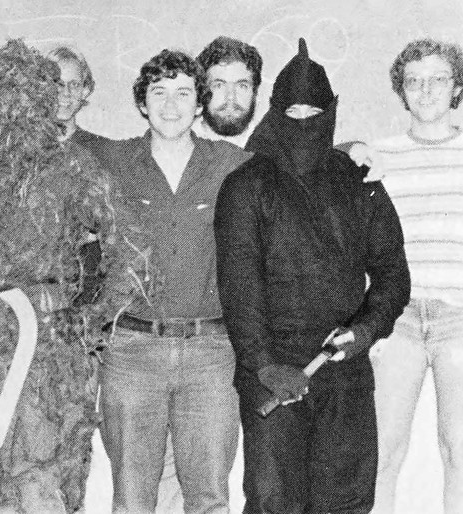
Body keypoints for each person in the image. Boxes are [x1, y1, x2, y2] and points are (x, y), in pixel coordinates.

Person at [0, 39, 147, 513]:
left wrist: (91, 318)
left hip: (50, 343)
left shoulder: (76, 167)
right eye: (3, 97)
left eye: (26, 97)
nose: (15, 108)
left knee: (38, 476)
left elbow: (133, 249)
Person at [214, 38, 411, 513]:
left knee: (344, 500)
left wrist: (366, 329)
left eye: (314, 112)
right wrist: (264, 365)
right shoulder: (246, 186)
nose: (303, 122)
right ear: (276, 113)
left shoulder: (360, 182)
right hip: (274, 370)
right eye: (292, 112)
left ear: (330, 113)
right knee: (274, 500)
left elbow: (392, 273)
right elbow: (239, 287)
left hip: (343, 364)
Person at [92, 49, 250, 514]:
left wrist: (353, 149)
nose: (170, 105)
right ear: (142, 103)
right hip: (131, 352)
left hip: (212, 354)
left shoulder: (230, 163)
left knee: (209, 498)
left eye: (183, 93)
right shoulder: (113, 159)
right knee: (132, 499)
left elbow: (299, 157)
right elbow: (47, 142)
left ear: (200, 104)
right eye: (158, 92)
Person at [369, 38, 463, 514]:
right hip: (397, 320)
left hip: (460, 319)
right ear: (401, 91)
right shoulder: (377, 157)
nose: (426, 91)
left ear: (457, 87)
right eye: (414, 81)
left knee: (459, 454)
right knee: (382, 454)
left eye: (438, 79)